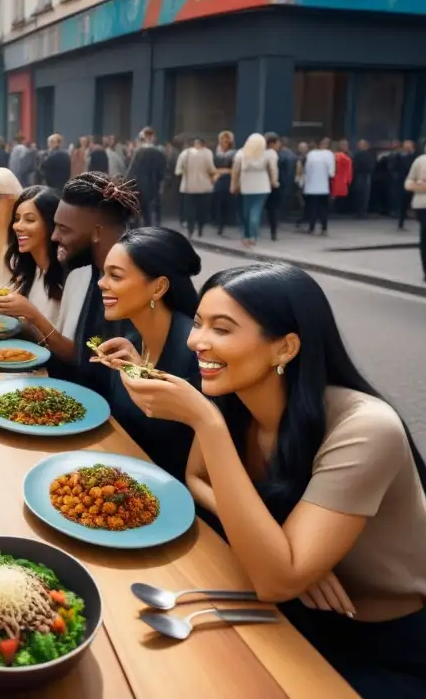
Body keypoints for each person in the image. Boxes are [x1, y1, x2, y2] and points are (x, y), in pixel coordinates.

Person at [120, 263, 426, 697]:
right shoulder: (233, 395)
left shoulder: (366, 428)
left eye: (221, 329)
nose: (195, 341)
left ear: (285, 348)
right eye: (200, 323)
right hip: (289, 609)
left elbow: (276, 579)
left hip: (379, 645)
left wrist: (207, 424)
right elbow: (194, 477)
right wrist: (285, 546)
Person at [89, 227, 201, 482]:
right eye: (104, 273)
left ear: (159, 287)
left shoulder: (194, 351)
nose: (101, 283)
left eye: (115, 276)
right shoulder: (131, 342)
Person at [48, 172, 140, 388]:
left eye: (64, 229)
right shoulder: (87, 273)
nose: (54, 236)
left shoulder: (138, 283)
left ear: (97, 232)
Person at [0, 185, 66, 333]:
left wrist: (30, 313)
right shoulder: (31, 269)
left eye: (30, 220)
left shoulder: (64, 277)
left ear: (50, 224)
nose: (18, 227)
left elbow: (66, 349)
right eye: (17, 219)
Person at [232, 133, 278, 246]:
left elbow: (235, 171)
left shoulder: (241, 154)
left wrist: (234, 185)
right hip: (262, 186)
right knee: (256, 211)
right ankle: (253, 236)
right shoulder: (268, 154)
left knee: (246, 212)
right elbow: (273, 169)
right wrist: (274, 181)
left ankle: (246, 235)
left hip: (246, 186)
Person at [175, 137, 217, 238]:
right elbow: (211, 168)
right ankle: (200, 230)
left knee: (190, 210)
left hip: (189, 187)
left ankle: (190, 230)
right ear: (203, 143)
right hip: (204, 186)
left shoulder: (185, 153)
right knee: (202, 210)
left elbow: (178, 170)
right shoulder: (207, 153)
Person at [126, 128, 167, 228]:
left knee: (137, 211)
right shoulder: (160, 153)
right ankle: (151, 229)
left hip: (139, 185)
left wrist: (126, 183)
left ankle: (136, 233)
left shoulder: (139, 152)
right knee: (150, 212)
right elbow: (163, 172)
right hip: (154, 186)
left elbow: (132, 170)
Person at [302, 138, 334, 235]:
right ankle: (324, 228)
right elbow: (331, 173)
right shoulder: (329, 155)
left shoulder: (311, 154)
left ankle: (311, 227)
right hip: (323, 187)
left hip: (311, 187)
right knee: (322, 208)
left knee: (312, 208)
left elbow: (307, 170)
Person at [403, 146, 426, 282]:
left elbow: (409, 183)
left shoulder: (418, 160)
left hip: (421, 205)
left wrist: (419, 185)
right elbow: (409, 183)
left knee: (424, 238)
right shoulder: (419, 161)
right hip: (422, 205)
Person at [212, 131, 236, 236]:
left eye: (227, 140)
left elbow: (234, 169)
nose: (224, 142)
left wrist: (221, 171)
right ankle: (217, 222)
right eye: (223, 139)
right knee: (217, 202)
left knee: (225, 202)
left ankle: (223, 223)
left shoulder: (233, 154)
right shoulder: (215, 153)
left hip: (227, 181)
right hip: (216, 180)